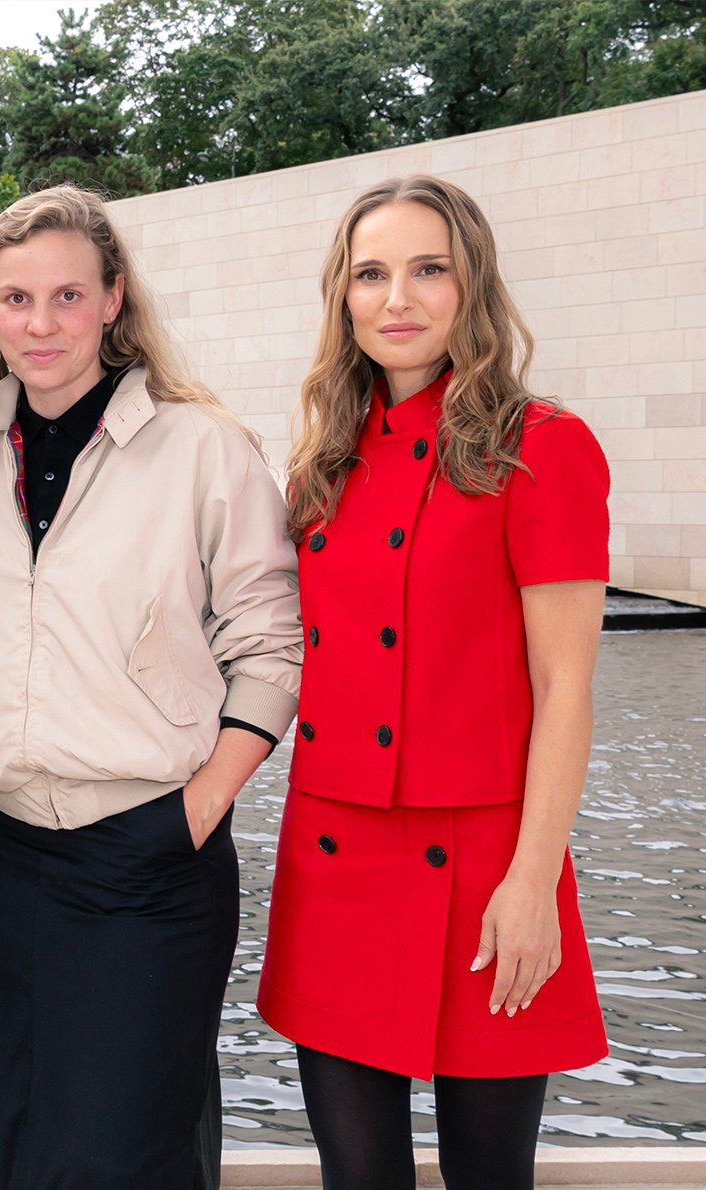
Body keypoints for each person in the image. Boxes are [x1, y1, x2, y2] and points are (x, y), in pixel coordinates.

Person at [0, 185, 303, 1187]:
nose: (39, 323)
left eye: (64, 295)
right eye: (15, 298)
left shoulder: (201, 447)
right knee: (34, 1141)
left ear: (112, 299)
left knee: (129, 1147)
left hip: (147, 845)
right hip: (4, 849)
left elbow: (269, 643)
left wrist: (198, 804)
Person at [257, 175, 610, 1189]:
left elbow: (564, 688)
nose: (396, 297)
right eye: (370, 273)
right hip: (335, 856)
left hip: (489, 865)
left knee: (488, 1177)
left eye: (427, 269)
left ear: (471, 286)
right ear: (342, 296)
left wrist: (533, 880)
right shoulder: (321, 463)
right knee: (355, 1177)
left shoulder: (542, 447)